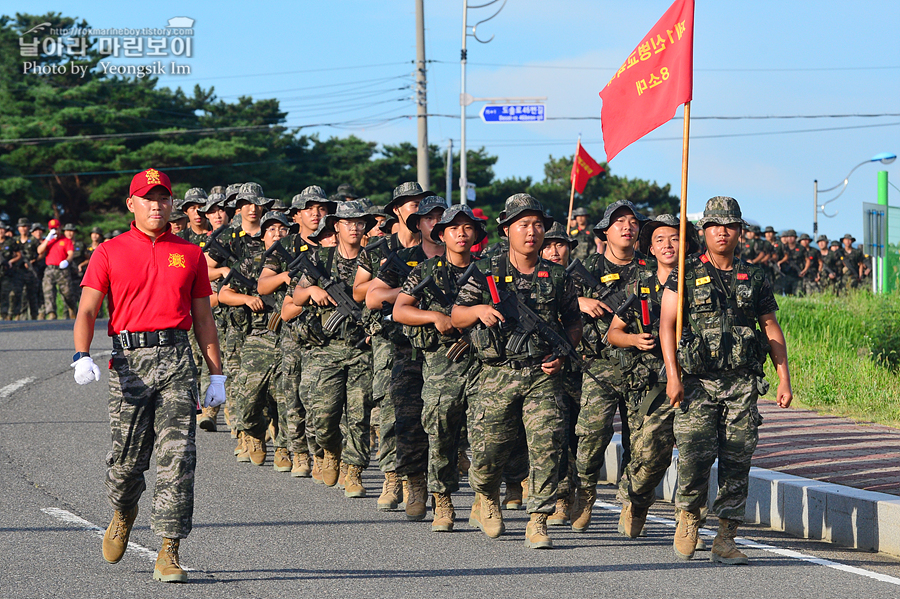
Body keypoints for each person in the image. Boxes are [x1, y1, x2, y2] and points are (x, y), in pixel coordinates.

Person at [73, 167, 224, 583]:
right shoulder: (108, 251)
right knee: (125, 464)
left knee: (178, 458)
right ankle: (124, 511)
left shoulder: (190, 253)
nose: (156, 205)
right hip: (128, 362)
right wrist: (81, 354)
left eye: (162, 198)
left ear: (171, 203)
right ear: (131, 204)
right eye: (147, 198)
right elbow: (88, 309)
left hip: (176, 359)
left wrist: (216, 376)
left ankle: (169, 549)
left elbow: (203, 318)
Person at [660, 196, 791, 565]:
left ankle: (726, 537)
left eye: (730, 225)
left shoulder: (756, 276)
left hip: (741, 382)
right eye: (715, 225)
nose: (722, 231)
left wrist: (784, 378)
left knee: (738, 459)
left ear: (740, 231)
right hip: (698, 382)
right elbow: (667, 325)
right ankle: (688, 517)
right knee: (694, 455)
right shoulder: (684, 273)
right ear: (704, 231)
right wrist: (673, 376)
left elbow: (770, 327)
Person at [451, 193, 582, 549]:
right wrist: (478, 310)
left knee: (547, 445)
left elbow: (573, 324)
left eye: (538, 225)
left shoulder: (557, 276)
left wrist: (561, 355)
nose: (532, 232)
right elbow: (455, 316)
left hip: (542, 374)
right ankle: (487, 498)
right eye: (523, 224)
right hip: (496, 374)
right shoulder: (486, 269)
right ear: (506, 229)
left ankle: (537, 520)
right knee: (490, 449)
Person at [394, 203, 485, 531]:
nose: (461, 233)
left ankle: (483, 498)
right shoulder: (426, 271)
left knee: (486, 433)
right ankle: (442, 499)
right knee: (442, 431)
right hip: (442, 363)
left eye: (467, 227)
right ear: (442, 235)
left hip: (483, 363)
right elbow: (401, 310)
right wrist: (435, 317)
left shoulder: (487, 269)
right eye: (454, 228)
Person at [607, 214, 699, 539]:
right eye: (660, 240)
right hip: (650, 384)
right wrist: (634, 339)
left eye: (674, 238)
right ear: (651, 248)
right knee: (648, 455)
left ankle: (687, 522)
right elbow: (613, 332)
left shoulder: (698, 281)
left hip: (693, 380)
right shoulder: (639, 285)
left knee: (693, 451)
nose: (668, 245)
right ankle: (637, 501)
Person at [569, 199, 649, 533]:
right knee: (590, 436)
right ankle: (585, 493)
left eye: (632, 222)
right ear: (605, 231)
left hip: (643, 365)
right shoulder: (585, 267)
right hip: (599, 366)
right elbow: (549, 301)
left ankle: (631, 502)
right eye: (619, 222)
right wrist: (579, 301)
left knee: (642, 442)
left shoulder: (651, 267)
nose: (627, 227)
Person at [367, 192, 446, 520]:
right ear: (419, 223)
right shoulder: (403, 259)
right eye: (430, 218)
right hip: (407, 350)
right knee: (408, 421)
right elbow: (373, 297)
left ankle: (444, 494)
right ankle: (414, 483)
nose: (437, 223)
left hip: (450, 353)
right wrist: (411, 291)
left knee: (445, 424)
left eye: (443, 217)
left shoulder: (466, 263)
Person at [355, 181, 430, 511]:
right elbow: (363, 293)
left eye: (420, 202)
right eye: (409, 203)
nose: (416, 207)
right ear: (397, 211)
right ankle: (392, 475)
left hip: (432, 339)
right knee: (391, 406)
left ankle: (425, 476)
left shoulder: (440, 251)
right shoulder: (380, 251)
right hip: (391, 338)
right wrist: (407, 292)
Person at [292, 201, 375, 496]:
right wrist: (311, 291)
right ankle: (330, 450)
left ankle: (354, 471)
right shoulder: (320, 259)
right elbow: (293, 301)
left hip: (362, 350)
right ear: (336, 226)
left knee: (358, 413)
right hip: (325, 350)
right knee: (324, 415)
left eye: (359, 222)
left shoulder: (374, 259)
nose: (354, 227)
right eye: (347, 222)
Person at [219, 211, 292, 468]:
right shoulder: (250, 263)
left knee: (285, 397)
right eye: (271, 229)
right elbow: (224, 294)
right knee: (249, 397)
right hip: (258, 336)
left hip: (290, 337)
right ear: (262, 236)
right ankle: (254, 432)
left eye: (282, 229)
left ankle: (283, 447)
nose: (277, 234)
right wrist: (247, 299)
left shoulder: (296, 261)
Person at [539, 222, 583, 527]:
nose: (555, 251)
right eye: (549, 245)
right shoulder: (537, 278)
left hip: (586, 366)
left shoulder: (582, 278)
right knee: (557, 436)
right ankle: (563, 498)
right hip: (549, 367)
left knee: (583, 438)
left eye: (561, 245)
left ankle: (583, 492)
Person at [38, 218, 77, 320]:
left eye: (56, 228)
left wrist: (67, 261)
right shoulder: (48, 240)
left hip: (62, 270)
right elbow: (40, 251)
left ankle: (72, 308)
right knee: (48, 291)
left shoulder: (66, 240)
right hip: (50, 269)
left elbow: (71, 254)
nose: (55, 231)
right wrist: (47, 239)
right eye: (52, 229)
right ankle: (51, 313)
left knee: (67, 292)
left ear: (60, 228)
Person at [0, 221, 22, 319]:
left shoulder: (11, 241)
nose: (1, 231)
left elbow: (19, 255)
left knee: (6, 293)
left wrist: (11, 261)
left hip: (6, 272)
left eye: (2, 229)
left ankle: (4, 315)